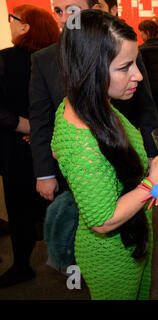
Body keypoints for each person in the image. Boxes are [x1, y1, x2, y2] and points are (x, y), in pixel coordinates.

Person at [52, 9, 158, 299]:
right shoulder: (83, 140)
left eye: (135, 63)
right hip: (112, 256)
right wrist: (153, 182)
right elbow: (102, 219)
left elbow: (57, 151)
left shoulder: (82, 105)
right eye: (125, 67)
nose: (138, 76)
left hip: (131, 239)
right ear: (90, 68)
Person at [29, 0, 158, 202]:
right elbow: (41, 121)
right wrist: (45, 172)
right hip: (80, 174)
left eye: (73, 10)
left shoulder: (124, 48)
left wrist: (152, 154)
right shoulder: (43, 60)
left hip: (128, 162)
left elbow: (145, 105)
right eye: (58, 11)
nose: (64, 18)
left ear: (95, 11)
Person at [0, 4, 59, 288]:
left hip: (16, 146)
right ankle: (67, 261)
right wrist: (41, 130)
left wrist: (27, 127)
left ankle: (22, 265)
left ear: (25, 27)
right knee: (59, 203)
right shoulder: (56, 61)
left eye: (12, 19)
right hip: (55, 146)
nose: (8, 23)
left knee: (19, 206)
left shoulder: (4, 60)